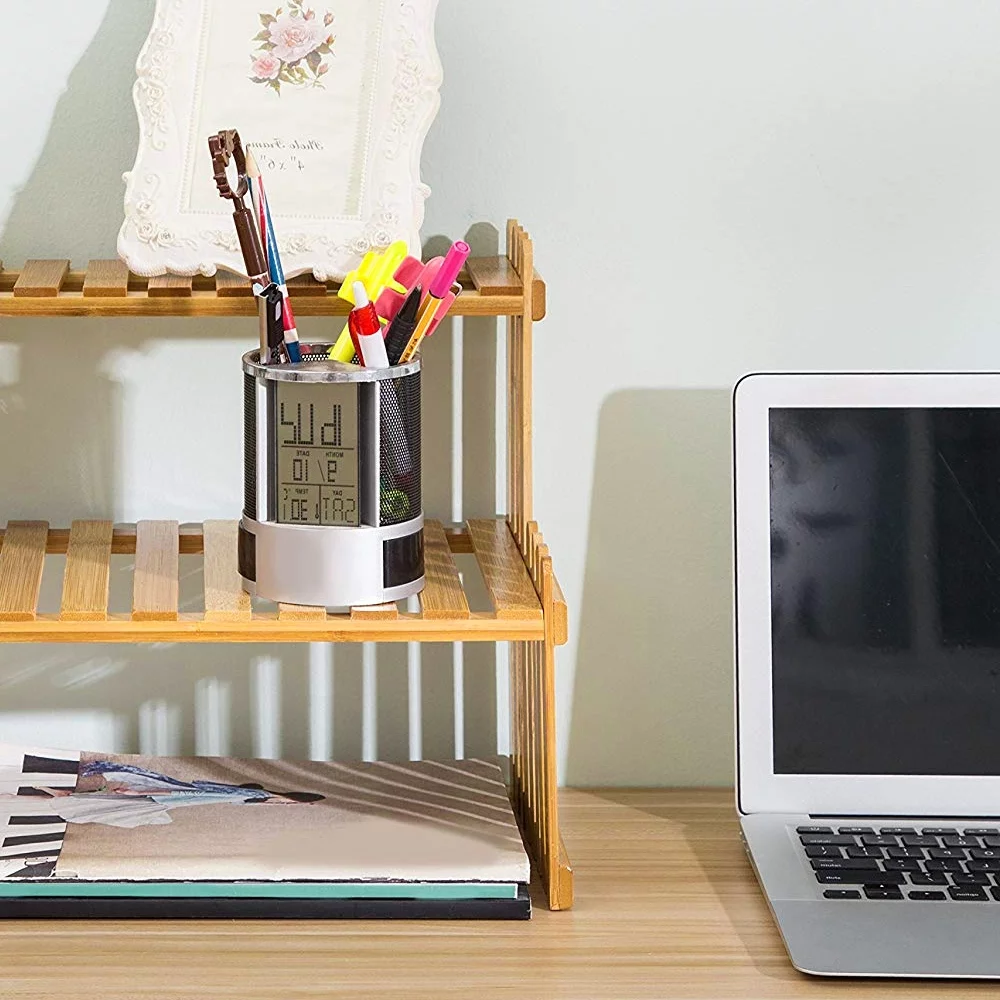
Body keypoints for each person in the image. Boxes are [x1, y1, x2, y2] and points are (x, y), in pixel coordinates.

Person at [37, 760, 325, 829]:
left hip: (159, 796)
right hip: (159, 796)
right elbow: (171, 792)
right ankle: (274, 798)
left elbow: (168, 791)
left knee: (198, 793)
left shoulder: (242, 796)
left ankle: (278, 798)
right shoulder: (231, 796)